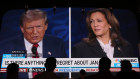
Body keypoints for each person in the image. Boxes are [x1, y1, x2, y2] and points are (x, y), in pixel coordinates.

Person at [0, 9, 67, 79]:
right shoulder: (4, 48)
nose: (35, 32)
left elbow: (64, 73)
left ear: (46, 26)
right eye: (30, 27)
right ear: (22, 28)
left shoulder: (57, 44)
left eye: (39, 27)